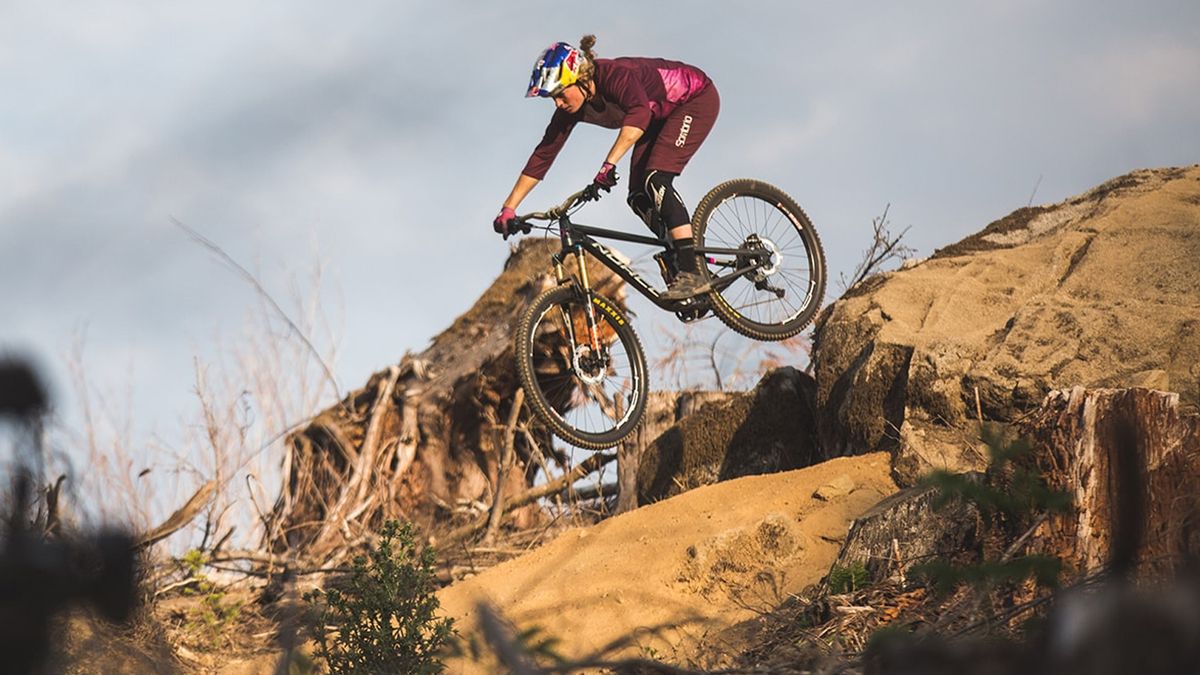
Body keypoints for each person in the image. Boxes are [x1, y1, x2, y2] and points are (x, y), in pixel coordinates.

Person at [493, 35, 720, 300]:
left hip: (694, 100)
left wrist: (608, 165)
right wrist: (509, 208)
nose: (557, 103)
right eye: (552, 99)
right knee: (637, 197)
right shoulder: (570, 109)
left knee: (655, 181)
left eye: (559, 94)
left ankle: (693, 271)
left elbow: (639, 114)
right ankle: (683, 254)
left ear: (579, 79)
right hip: (659, 117)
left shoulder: (614, 76)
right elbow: (543, 155)